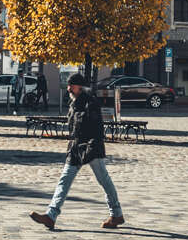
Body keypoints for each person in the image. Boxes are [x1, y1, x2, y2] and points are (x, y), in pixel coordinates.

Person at [30, 74, 123, 231]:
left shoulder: (90, 103)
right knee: (64, 180)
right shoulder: (74, 102)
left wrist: (92, 146)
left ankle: (116, 214)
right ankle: (51, 216)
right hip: (76, 147)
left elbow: (97, 127)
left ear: (80, 87)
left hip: (90, 148)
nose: (68, 88)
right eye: (68, 85)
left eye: (71, 86)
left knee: (104, 180)